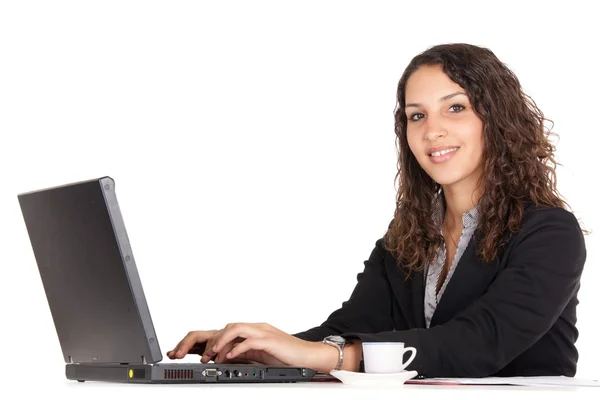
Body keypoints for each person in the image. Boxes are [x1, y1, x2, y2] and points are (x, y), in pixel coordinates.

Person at [166, 43, 587, 378]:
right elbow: (353, 326)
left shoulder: (549, 232)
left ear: (496, 119)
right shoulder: (409, 233)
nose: (431, 130)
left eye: (455, 107)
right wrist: (262, 349)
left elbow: (479, 343)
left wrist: (323, 356)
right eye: (416, 115)